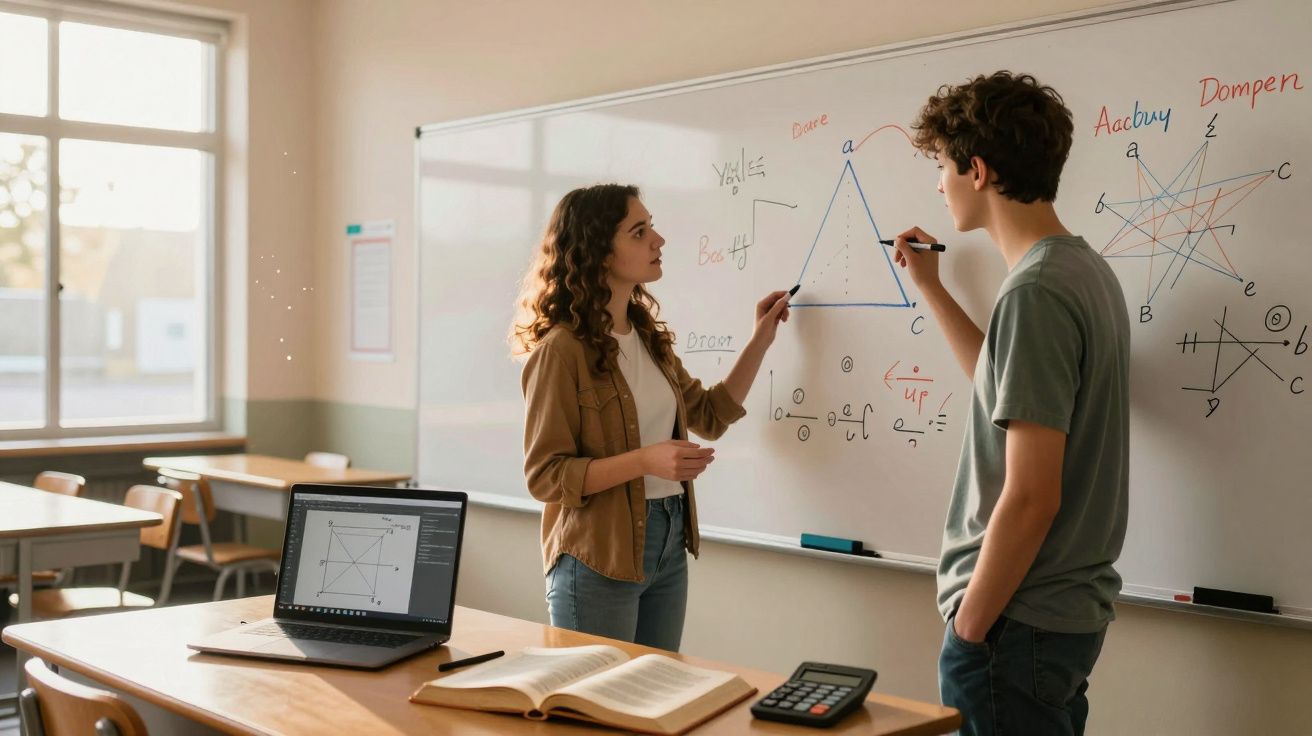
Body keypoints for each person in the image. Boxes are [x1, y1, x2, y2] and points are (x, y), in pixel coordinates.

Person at [891, 71, 1131, 735]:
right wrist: (934, 291)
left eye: (941, 166)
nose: (937, 184)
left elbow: (1032, 496)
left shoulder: (1036, 293)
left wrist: (970, 629)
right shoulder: (1080, 271)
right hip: (1052, 622)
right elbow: (1003, 389)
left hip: (1012, 624)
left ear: (976, 169)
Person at [511, 183, 790, 652]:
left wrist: (761, 338)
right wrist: (644, 461)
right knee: (598, 712)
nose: (658, 240)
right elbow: (545, 477)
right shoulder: (560, 351)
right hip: (597, 554)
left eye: (651, 227)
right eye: (639, 232)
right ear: (599, 252)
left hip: (667, 542)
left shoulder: (647, 339)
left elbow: (711, 414)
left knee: (652, 697)